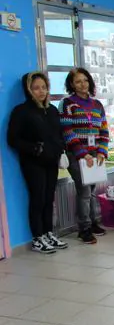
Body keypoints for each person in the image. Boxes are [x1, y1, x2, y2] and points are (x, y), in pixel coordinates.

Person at [7, 72, 68, 253]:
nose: (41, 91)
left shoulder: (52, 110)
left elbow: (58, 134)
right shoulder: (21, 111)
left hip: (51, 161)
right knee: (38, 198)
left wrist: (61, 149)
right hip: (33, 163)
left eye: (43, 87)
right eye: (36, 88)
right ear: (28, 90)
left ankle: (48, 232)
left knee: (49, 198)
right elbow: (13, 139)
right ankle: (37, 237)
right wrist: (34, 148)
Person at [59, 68, 109, 244]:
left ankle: (94, 222)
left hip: (96, 154)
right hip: (77, 155)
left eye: (85, 80)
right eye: (78, 81)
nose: (82, 84)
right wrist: (83, 154)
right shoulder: (67, 104)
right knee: (84, 192)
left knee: (93, 191)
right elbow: (67, 132)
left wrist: (102, 151)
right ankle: (84, 229)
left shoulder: (97, 105)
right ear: (71, 84)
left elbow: (104, 130)